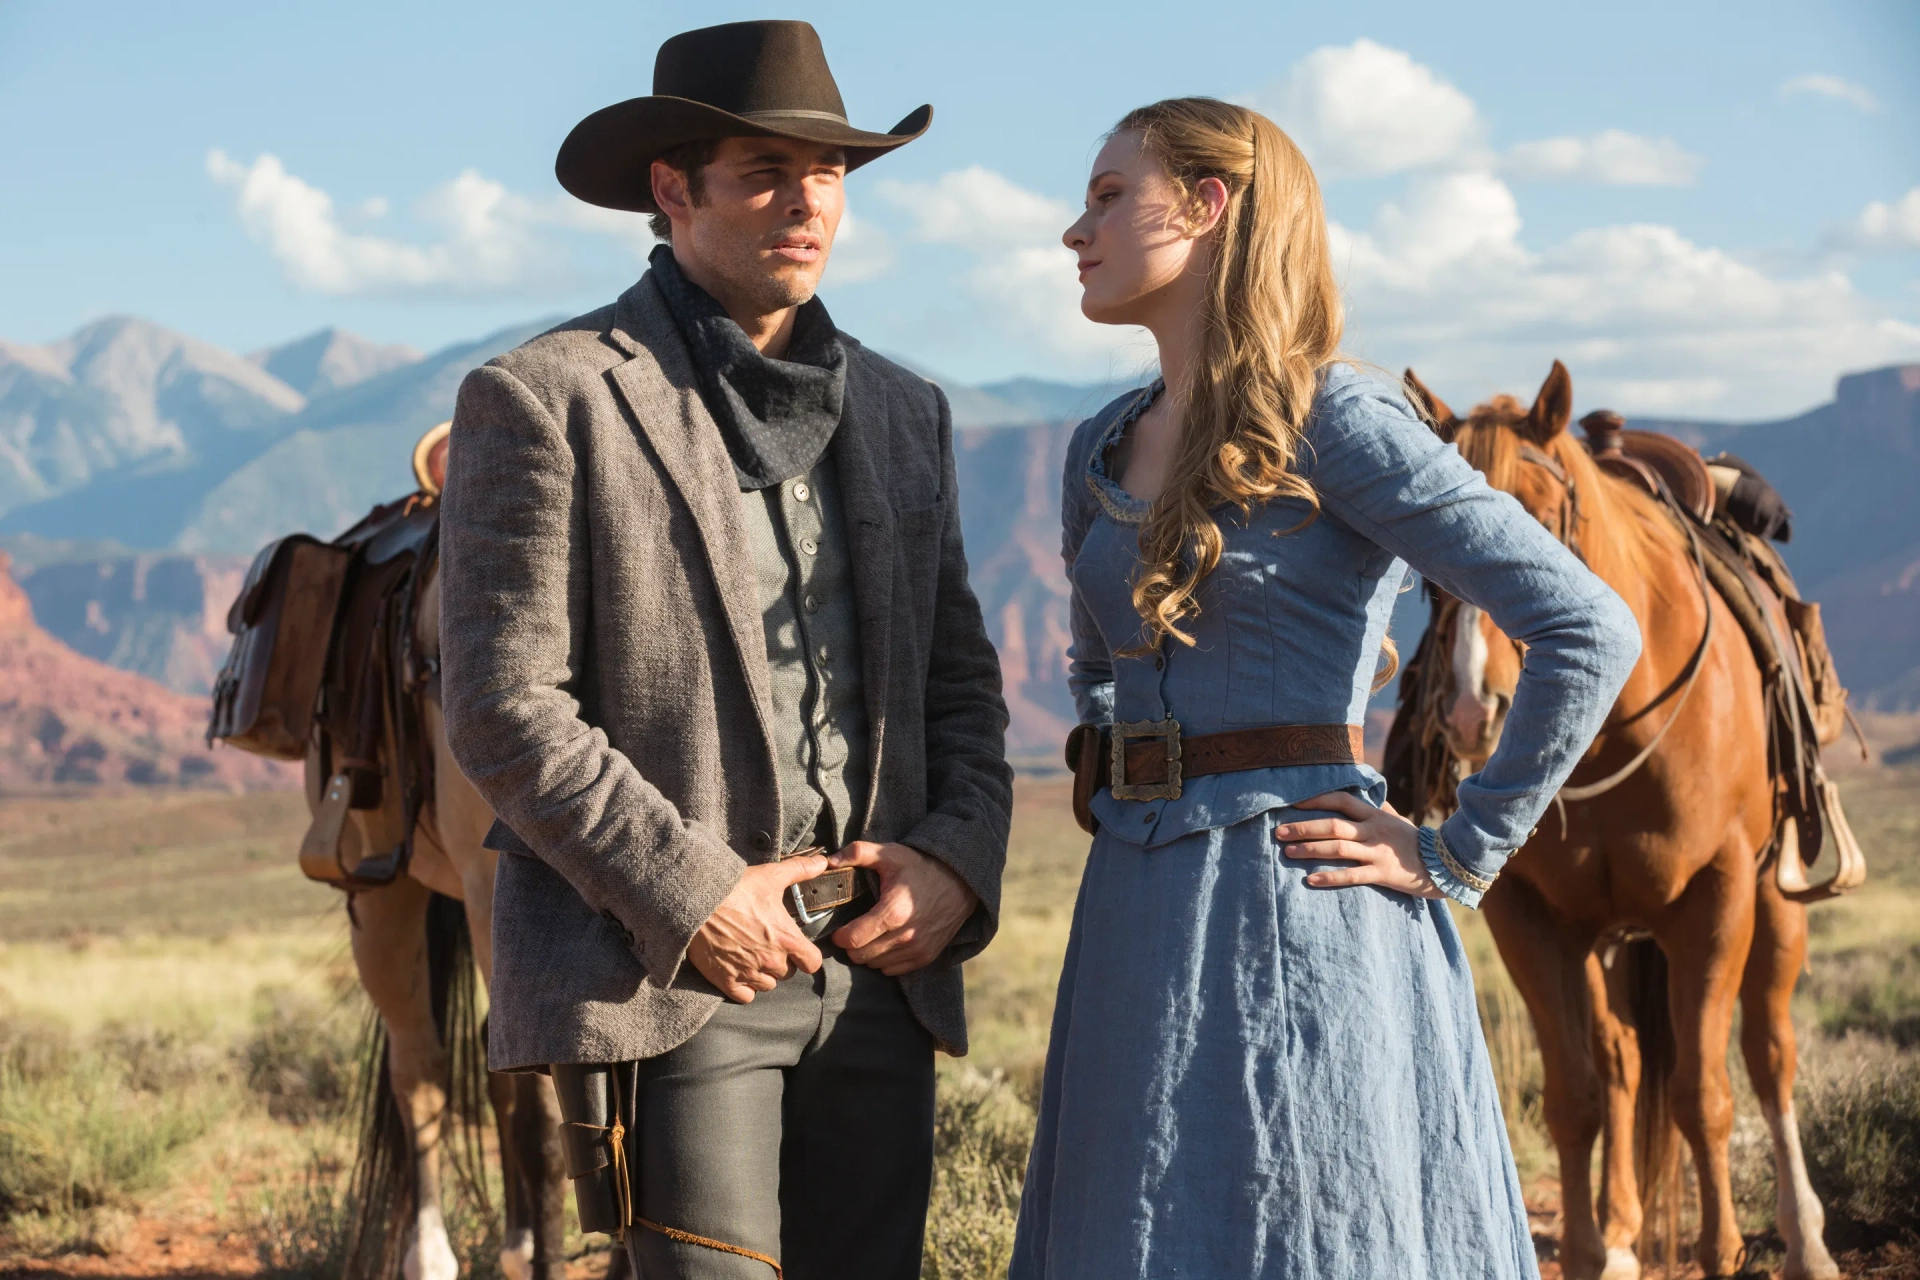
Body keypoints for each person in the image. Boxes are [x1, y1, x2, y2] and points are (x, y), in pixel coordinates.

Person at [1011, 97, 1640, 1279]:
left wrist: (1459, 850)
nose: (1074, 230)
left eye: (1108, 195)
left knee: (1308, 1231)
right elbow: (1100, 668)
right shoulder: (1098, 442)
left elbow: (1586, 624)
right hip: (1132, 910)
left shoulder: (1335, 416)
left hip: (1299, 898)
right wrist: (1115, 751)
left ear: (1209, 205)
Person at [436, 21, 1013, 1280]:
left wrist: (957, 863)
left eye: (832, 173)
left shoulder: (908, 409)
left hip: (878, 962)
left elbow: (960, 683)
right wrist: (690, 890)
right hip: (677, 974)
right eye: (764, 169)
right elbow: (498, 699)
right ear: (671, 189)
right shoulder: (550, 395)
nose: (806, 202)